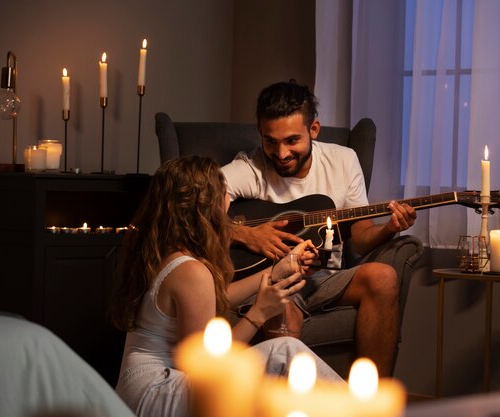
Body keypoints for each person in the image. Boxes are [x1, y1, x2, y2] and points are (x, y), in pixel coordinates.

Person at [109, 156, 343, 417]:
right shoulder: (191, 271)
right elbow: (206, 366)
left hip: (140, 387)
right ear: (205, 207)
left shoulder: (165, 253)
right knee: (285, 352)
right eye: (223, 193)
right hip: (158, 392)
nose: (229, 202)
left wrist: (278, 269)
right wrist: (258, 313)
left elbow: (211, 298)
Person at [221, 80, 417, 377]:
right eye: (270, 141)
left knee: (384, 277)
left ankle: (372, 404)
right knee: (281, 311)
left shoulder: (343, 161)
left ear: (314, 129)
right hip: (274, 279)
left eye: (291, 140)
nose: (281, 152)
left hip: (325, 277)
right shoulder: (250, 167)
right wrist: (244, 232)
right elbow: (193, 214)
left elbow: (361, 240)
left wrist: (390, 227)